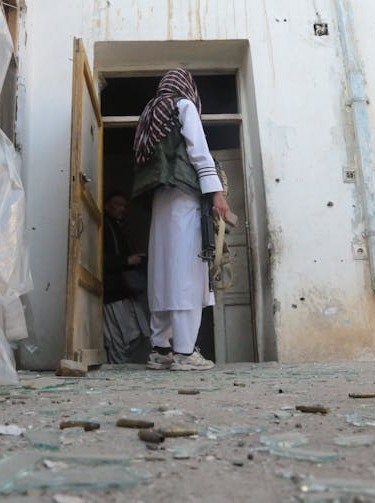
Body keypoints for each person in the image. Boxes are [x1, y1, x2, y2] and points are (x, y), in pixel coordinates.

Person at [132, 68, 229, 371]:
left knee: (162, 274)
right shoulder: (183, 106)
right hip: (185, 198)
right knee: (187, 274)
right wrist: (217, 193)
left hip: (161, 201)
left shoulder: (150, 113)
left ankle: (161, 350)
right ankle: (185, 353)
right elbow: (199, 152)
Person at [102, 192, 151, 363]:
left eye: (124, 206)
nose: (122, 209)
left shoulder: (118, 227)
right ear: (107, 205)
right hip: (113, 292)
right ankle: (116, 372)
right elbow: (97, 258)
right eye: (118, 204)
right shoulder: (102, 226)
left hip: (125, 291)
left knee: (136, 335)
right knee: (120, 339)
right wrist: (126, 260)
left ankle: (121, 369)